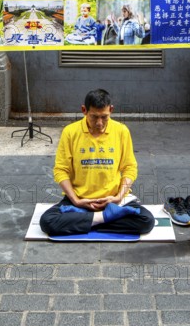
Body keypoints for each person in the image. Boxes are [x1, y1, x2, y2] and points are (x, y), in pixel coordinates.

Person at [40, 89, 155, 237]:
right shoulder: (70, 132)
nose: (99, 123)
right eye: (94, 117)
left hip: (113, 201)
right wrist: (76, 201)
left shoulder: (121, 131)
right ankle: (103, 219)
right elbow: (61, 170)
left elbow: (129, 168)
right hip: (80, 201)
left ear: (111, 110)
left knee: (146, 221)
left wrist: (119, 196)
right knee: (47, 221)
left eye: (104, 117)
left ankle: (85, 222)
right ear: (84, 110)